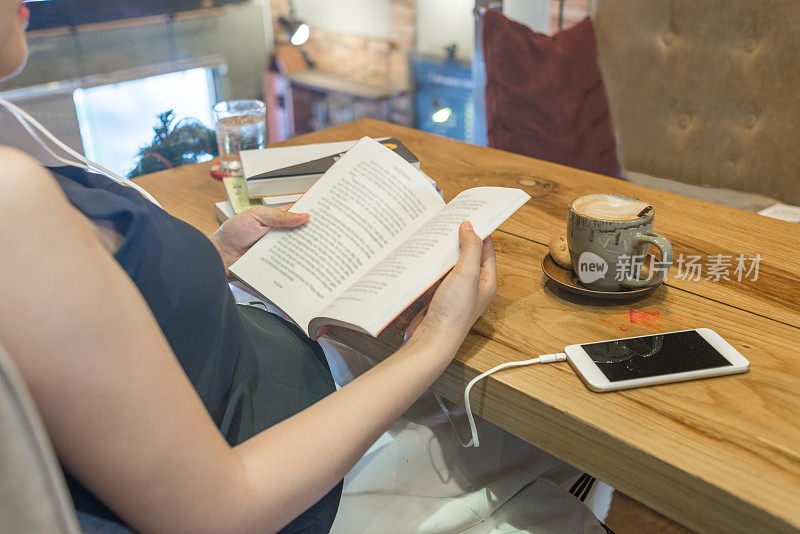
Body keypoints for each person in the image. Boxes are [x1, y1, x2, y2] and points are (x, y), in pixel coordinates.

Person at [1, 2, 612, 532]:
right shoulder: (12, 196)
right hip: (291, 470)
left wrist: (212, 259)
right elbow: (218, 513)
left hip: (275, 369)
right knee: (562, 439)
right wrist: (430, 346)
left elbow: (75, 329)